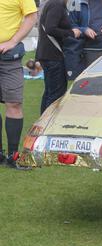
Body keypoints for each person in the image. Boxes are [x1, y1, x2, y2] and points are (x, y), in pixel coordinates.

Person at [0, 0, 37, 168]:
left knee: (14, 103)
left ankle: (12, 156)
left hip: (9, 57)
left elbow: (31, 16)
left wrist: (13, 41)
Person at [37, 0, 80, 114]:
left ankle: (42, 125)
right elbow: (50, 28)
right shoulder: (56, 4)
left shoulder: (54, 4)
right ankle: (47, 126)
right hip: (53, 55)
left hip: (49, 55)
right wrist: (71, 33)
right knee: (56, 95)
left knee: (50, 93)